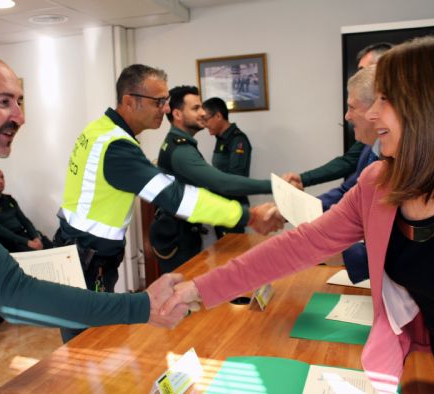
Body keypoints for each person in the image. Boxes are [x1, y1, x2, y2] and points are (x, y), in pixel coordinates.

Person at [163, 36, 434, 394]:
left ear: (432, 106)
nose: (372, 113)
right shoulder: (377, 182)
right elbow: (298, 246)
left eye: (385, 99)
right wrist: (199, 289)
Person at [0, 54, 190, 394]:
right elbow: (12, 295)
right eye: (4, 102)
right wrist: (142, 306)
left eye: (20, 102)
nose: (20, 117)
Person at [56, 65, 283, 342]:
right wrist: (247, 215)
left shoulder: (99, 131)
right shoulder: (116, 147)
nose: (165, 109)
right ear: (129, 100)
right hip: (88, 257)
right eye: (158, 101)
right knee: (88, 342)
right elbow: (177, 197)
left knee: (87, 337)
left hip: (81, 250)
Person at [150, 86, 271, 273]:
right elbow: (222, 182)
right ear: (177, 114)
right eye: (196, 108)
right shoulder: (181, 150)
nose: (203, 113)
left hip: (187, 229)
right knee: (185, 293)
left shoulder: (180, 144)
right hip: (179, 236)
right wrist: (274, 186)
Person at [283, 42, 392, 189]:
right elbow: (350, 178)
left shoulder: (402, 146)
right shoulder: (370, 142)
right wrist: (304, 179)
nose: (347, 117)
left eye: (363, 71)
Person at [317, 65, 378, 284]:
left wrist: (347, 253)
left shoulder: (412, 163)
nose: (347, 116)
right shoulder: (371, 147)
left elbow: (407, 251)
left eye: (352, 107)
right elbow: (349, 191)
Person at [202, 97, 257, 238]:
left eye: (206, 119)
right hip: (221, 205)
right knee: (223, 251)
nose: (204, 124)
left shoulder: (238, 140)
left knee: (233, 252)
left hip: (233, 207)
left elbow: (235, 178)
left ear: (218, 116)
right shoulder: (221, 139)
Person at [0, 167, 52, 253]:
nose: (0, 181)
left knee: (49, 245)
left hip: (23, 236)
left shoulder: (9, 199)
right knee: (35, 252)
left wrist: (35, 237)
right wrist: (27, 242)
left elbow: (25, 221)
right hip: (8, 242)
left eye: (2, 177)